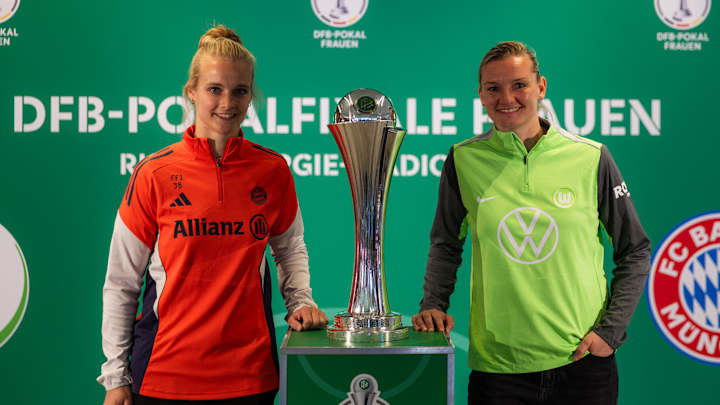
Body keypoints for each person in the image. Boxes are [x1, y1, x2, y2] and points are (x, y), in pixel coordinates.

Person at [98, 25, 328, 405]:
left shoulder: (272, 170)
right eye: (214, 89)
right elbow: (121, 283)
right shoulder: (153, 173)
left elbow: (289, 248)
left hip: (250, 377)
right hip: (163, 377)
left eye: (240, 91)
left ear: (251, 96)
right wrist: (115, 377)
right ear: (191, 91)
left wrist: (300, 301)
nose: (227, 103)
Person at [412, 41, 650, 404]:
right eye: (493, 88)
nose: (506, 98)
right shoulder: (463, 159)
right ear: (481, 94)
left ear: (540, 87)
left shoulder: (591, 157)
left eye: (519, 85)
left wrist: (611, 332)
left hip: (582, 363)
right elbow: (445, 243)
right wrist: (433, 303)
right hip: (498, 370)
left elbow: (635, 250)